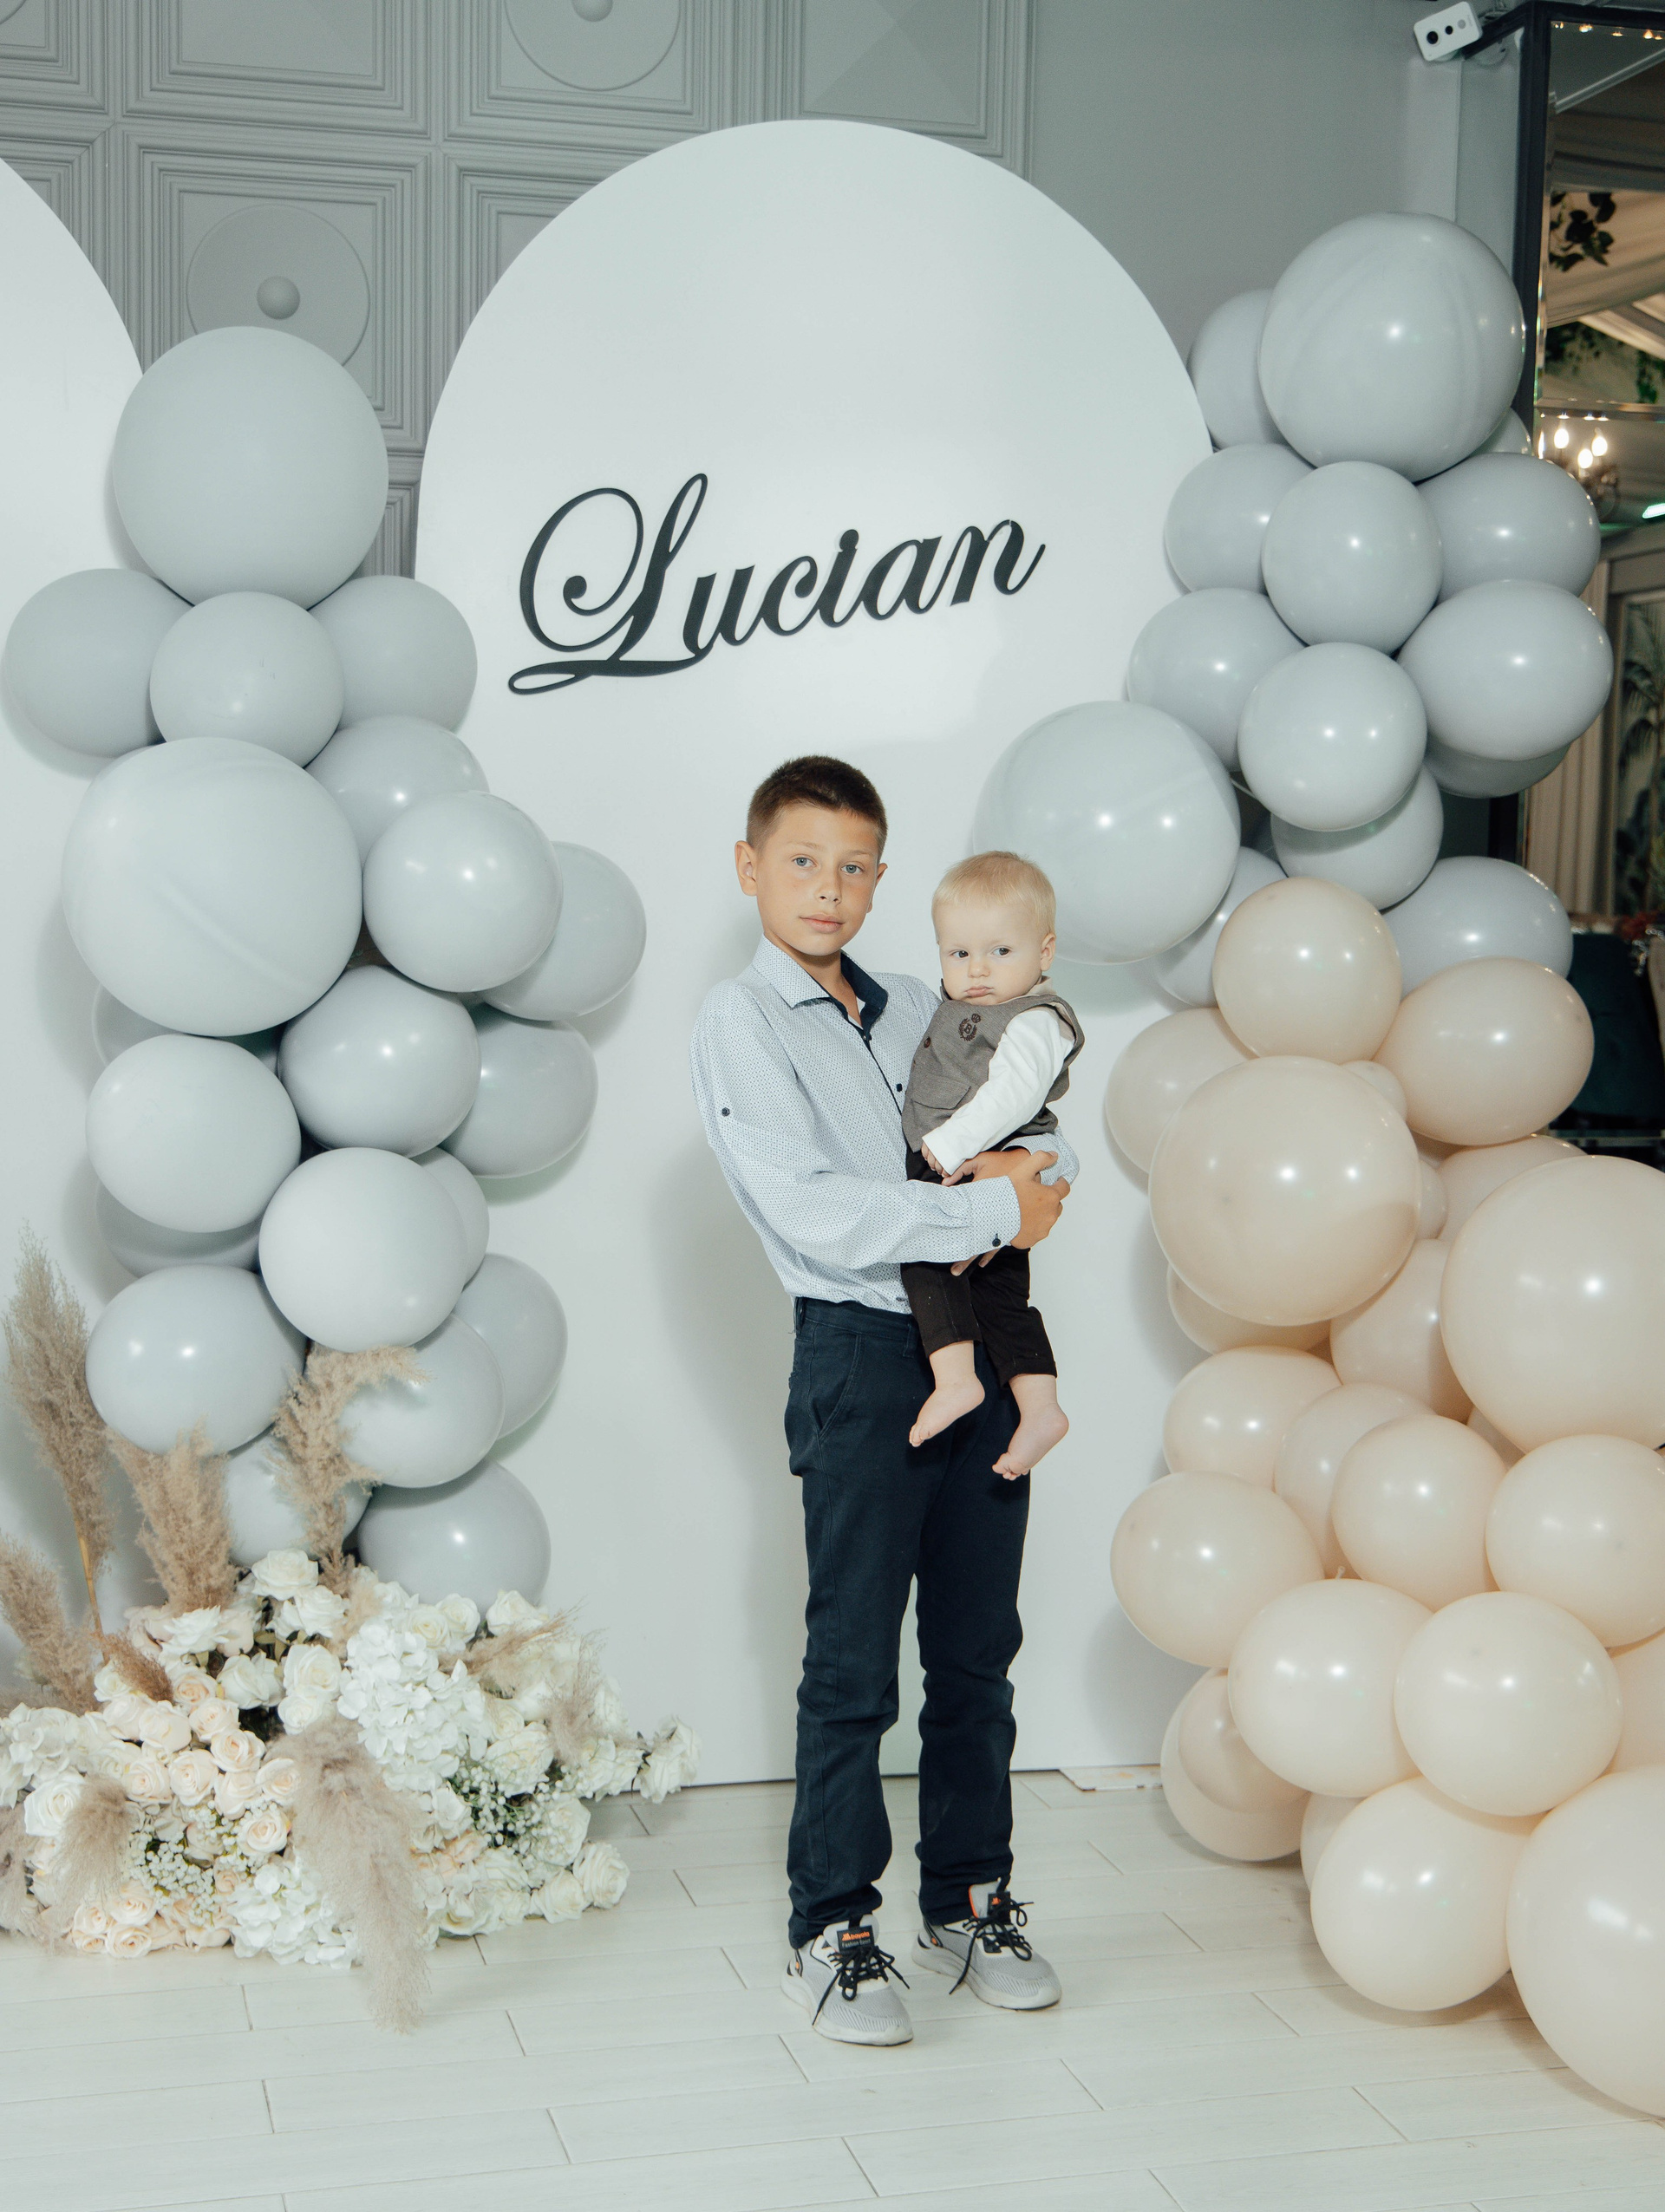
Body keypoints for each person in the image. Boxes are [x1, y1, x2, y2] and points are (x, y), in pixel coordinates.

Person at [689, 754, 1074, 2048]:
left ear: (882, 879)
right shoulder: (742, 1020)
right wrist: (991, 1211)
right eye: (804, 860)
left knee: (976, 1651)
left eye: (854, 865)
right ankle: (833, 1924)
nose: (829, 887)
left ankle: (968, 1900)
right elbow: (814, 1206)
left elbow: (1031, 1113)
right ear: (751, 866)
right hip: (861, 1354)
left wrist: (1040, 1176)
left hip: (977, 1339)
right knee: (853, 1662)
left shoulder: (926, 997)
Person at [900, 851, 1082, 1477]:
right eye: (959, 953)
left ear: (1044, 952)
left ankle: (957, 1380)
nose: (977, 969)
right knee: (1000, 1297)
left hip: (970, 1162)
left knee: (927, 1258)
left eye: (1000, 951)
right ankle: (1041, 1408)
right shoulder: (950, 1005)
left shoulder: (1034, 1019)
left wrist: (952, 1143)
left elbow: (1016, 1096)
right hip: (968, 1163)